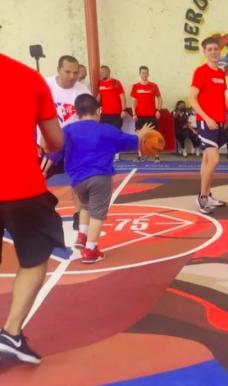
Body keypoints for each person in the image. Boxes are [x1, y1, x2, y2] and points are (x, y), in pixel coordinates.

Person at [0, 53, 65, 364]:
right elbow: (54, 140)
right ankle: (11, 332)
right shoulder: (28, 77)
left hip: (21, 188)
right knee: (35, 255)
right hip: (21, 187)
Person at [64, 94, 152, 263]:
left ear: (76, 112)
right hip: (99, 177)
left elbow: (55, 150)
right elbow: (131, 141)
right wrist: (142, 133)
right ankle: (90, 250)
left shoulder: (67, 130)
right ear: (98, 111)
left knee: (84, 204)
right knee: (98, 213)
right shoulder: (105, 130)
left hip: (77, 179)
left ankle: (82, 236)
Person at [189, 37, 228, 214]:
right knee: (214, 159)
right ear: (205, 52)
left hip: (219, 123)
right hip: (206, 123)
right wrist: (206, 118)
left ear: (220, 51)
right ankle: (202, 198)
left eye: (216, 49)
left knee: (207, 160)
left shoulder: (220, 73)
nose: (214, 52)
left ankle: (207, 194)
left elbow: (223, 101)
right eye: (209, 49)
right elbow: (192, 99)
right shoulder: (200, 72)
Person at [44, 55, 91, 231]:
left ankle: (78, 215)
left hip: (74, 145)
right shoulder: (45, 85)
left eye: (75, 72)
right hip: (47, 144)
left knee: (79, 181)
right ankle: (37, 212)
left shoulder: (83, 91)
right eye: (67, 72)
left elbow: (90, 120)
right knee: (37, 178)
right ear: (58, 70)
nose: (72, 76)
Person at [130, 65, 162, 162]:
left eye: (146, 73)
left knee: (154, 136)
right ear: (140, 74)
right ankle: (140, 156)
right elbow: (133, 102)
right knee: (140, 136)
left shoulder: (154, 86)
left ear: (148, 74)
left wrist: (158, 110)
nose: (144, 74)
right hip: (139, 115)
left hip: (151, 115)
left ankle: (156, 157)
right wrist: (134, 114)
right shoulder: (135, 86)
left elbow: (159, 98)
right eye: (142, 73)